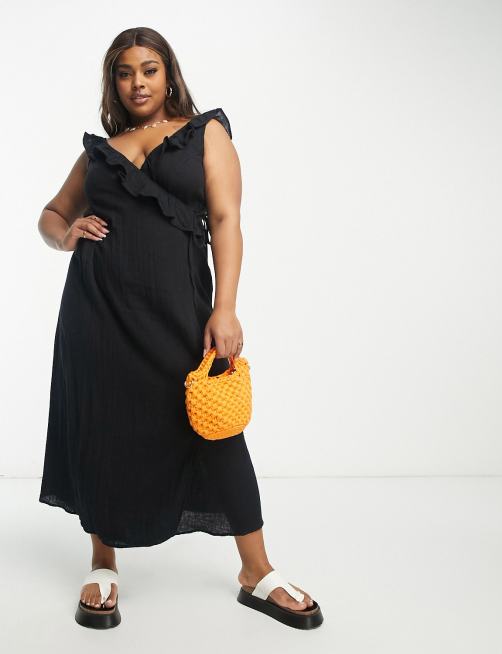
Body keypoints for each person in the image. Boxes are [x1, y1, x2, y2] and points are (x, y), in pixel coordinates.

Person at [38, 26, 322, 630]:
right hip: (97, 311)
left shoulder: (205, 133)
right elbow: (52, 214)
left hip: (180, 309)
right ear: (113, 82)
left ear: (169, 74)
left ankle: (256, 571)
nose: (137, 83)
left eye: (149, 69)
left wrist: (226, 307)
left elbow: (226, 219)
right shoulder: (101, 151)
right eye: (124, 72)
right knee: (103, 423)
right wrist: (66, 235)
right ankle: (103, 562)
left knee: (215, 426)